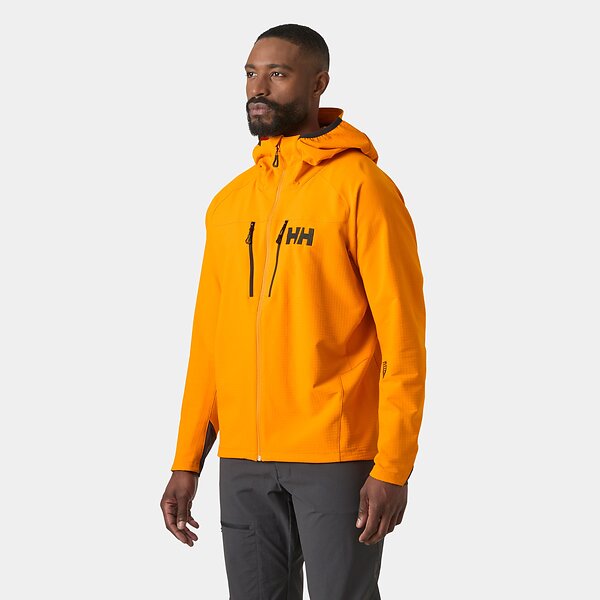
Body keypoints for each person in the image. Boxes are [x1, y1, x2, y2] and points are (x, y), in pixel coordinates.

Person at [160, 23, 427, 600]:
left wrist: (393, 466)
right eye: (251, 74)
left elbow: (403, 341)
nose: (258, 87)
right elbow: (208, 344)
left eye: (277, 74)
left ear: (318, 83)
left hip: (335, 456)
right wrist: (187, 461)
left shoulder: (364, 189)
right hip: (244, 461)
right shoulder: (229, 204)